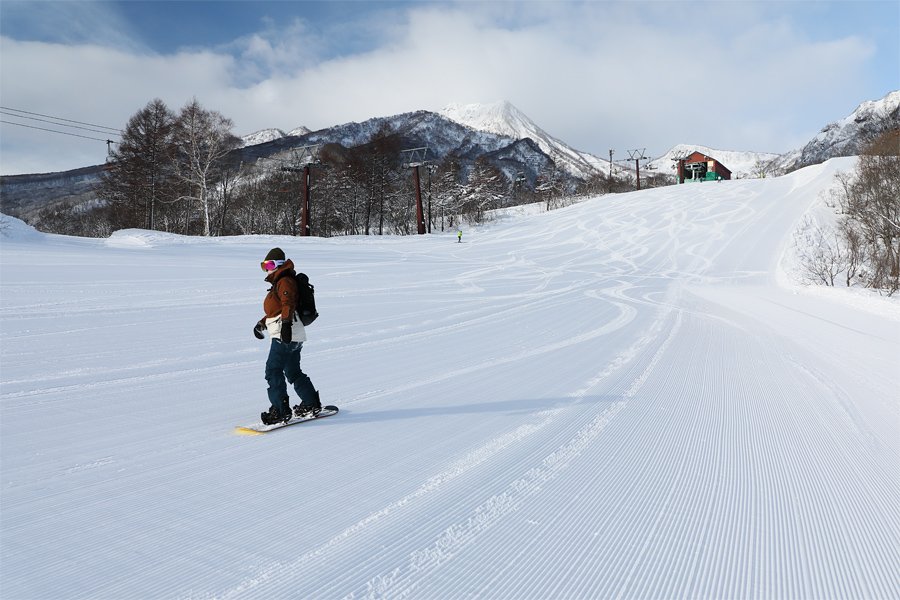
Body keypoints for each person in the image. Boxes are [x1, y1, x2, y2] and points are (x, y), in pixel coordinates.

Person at [253, 247, 322, 424]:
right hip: (292, 332)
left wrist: (285, 326)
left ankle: (280, 410)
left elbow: (288, 304)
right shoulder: (280, 281)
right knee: (292, 371)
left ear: (279, 264)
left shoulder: (284, 281)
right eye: (264, 266)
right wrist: (262, 323)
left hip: (285, 333)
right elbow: (276, 309)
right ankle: (311, 403)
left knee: (273, 370)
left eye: (269, 265)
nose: (267, 269)